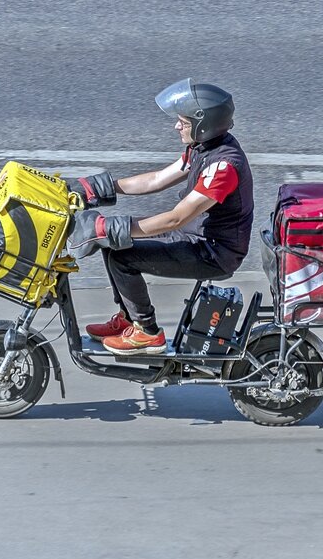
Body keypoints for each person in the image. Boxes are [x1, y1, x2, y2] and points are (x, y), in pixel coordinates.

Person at [67, 79, 254, 355]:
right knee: (112, 244)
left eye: (183, 122)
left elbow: (175, 219)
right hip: (193, 235)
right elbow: (156, 180)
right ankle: (129, 319)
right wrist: (101, 188)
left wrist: (113, 226)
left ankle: (147, 332)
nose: (177, 126)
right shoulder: (204, 147)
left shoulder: (224, 166)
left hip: (213, 252)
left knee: (122, 255)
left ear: (203, 124)